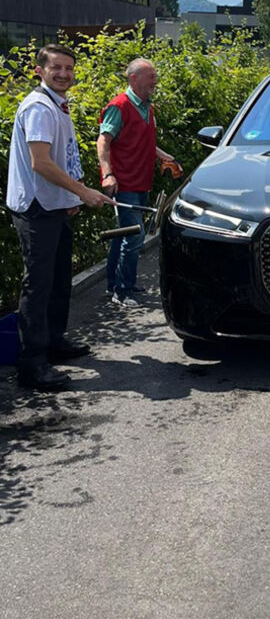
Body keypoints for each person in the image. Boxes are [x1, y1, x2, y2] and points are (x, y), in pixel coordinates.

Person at [5, 44, 113, 390]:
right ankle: (32, 364)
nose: (64, 74)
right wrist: (83, 192)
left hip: (54, 205)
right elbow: (41, 163)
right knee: (38, 285)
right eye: (56, 68)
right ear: (40, 71)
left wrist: (69, 197)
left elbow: (61, 159)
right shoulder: (39, 107)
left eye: (69, 67)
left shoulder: (57, 104)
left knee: (58, 278)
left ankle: (53, 341)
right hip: (36, 208)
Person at [97, 58, 182, 307]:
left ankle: (115, 283)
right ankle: (122, 292)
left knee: (123, 235)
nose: (155, 81)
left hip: (141, 181)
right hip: (124, 183)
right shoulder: (119, 106)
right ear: (133, 78)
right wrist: (107, 174)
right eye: (150, 76)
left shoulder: (147, 107)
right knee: (135, 236)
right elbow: (103, 141)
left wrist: (164, 156)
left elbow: (143, 140)